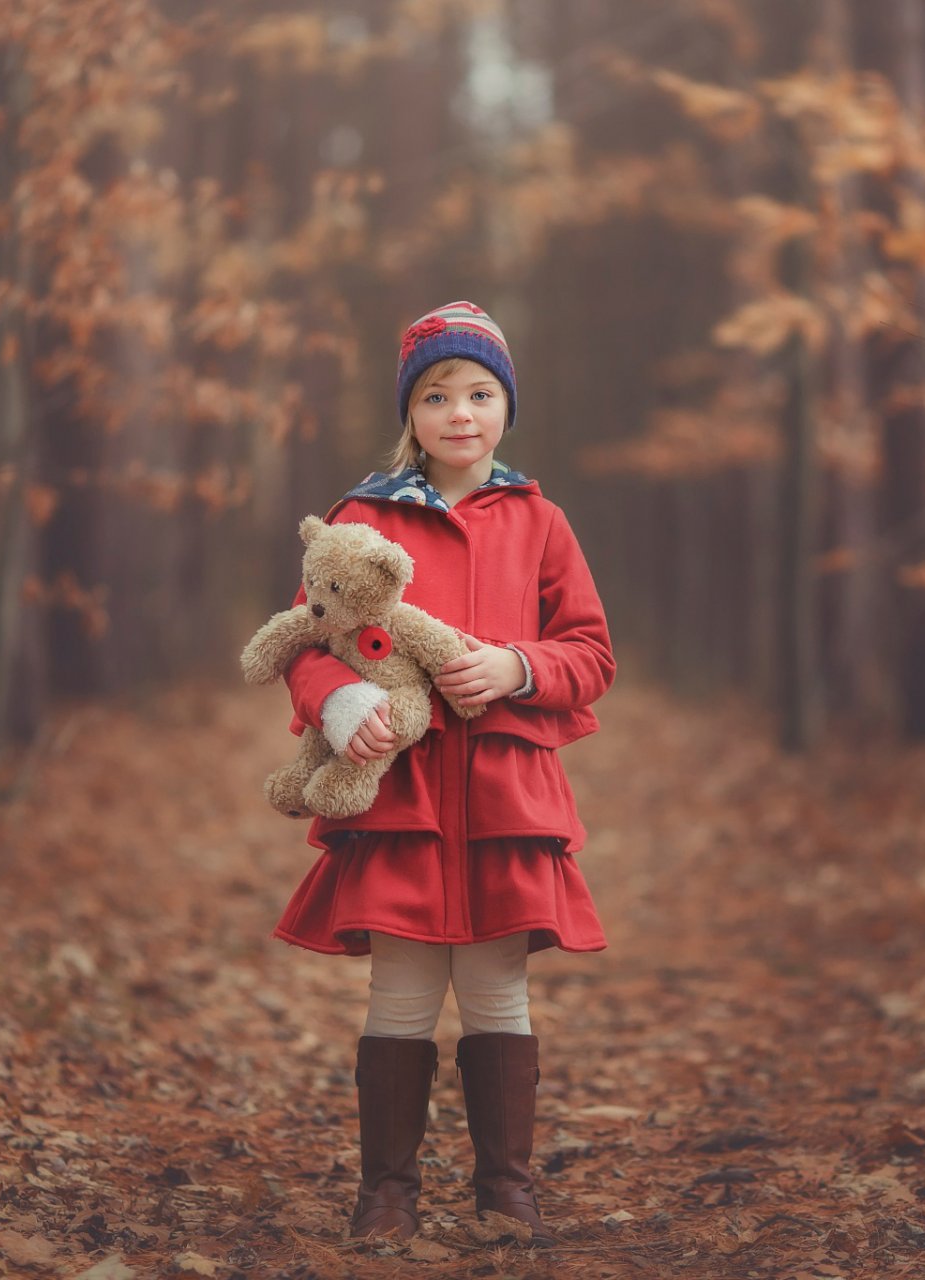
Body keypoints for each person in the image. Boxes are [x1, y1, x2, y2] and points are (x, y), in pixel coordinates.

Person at [273, 301, 615, 1246]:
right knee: (404, 992)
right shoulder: (359, 516)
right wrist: (339, 701)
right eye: (437, 396)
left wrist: (519, 668)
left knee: (500, 989)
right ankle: (387, 1192)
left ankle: (506, 1190)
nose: (459, 413)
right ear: (410, 413)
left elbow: (590, 653)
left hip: (507, 792)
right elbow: (305, 640)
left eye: (479, 393)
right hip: (401, 796)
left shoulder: (541, 520)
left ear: (506, 407)